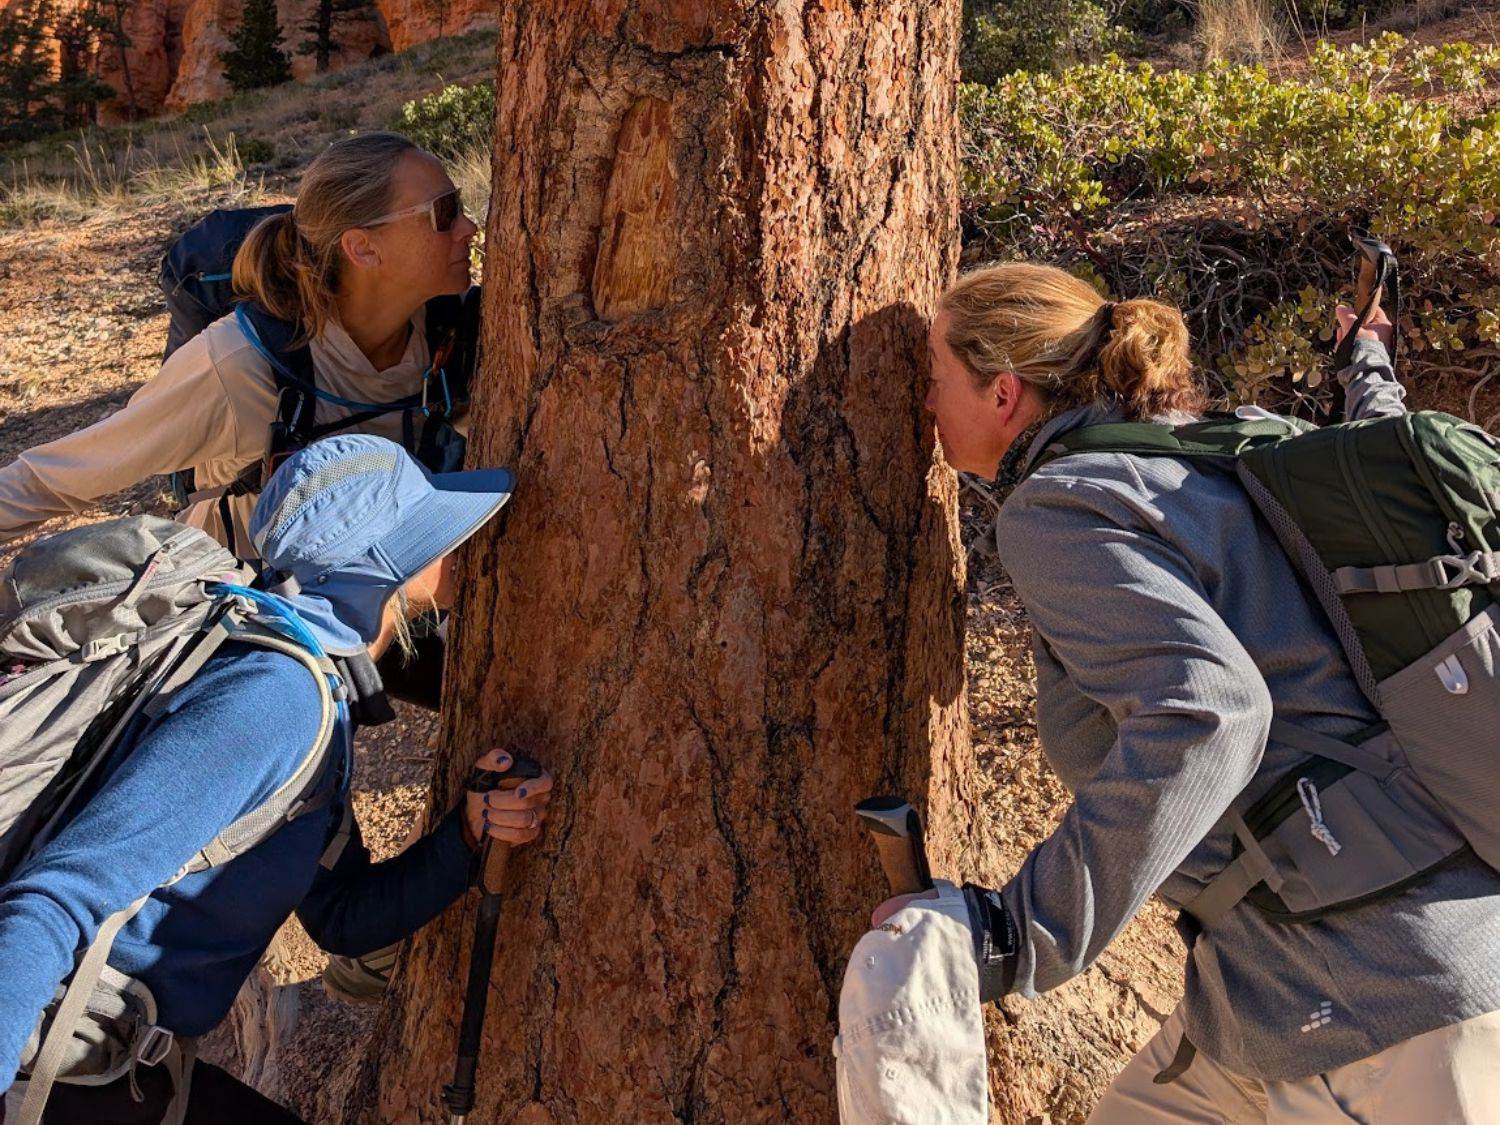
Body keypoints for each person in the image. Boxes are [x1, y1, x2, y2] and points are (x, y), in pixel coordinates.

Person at [852, 263, 1500, 1121]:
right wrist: (1366, 364)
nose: (925, 406)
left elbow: (1211, 714)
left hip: (1376, 1009)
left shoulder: (1057, 510)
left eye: (934, 381)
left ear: (1004, 394)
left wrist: (1018, 932)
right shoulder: (1221, 443)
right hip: (1308, 986)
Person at [0, 434, 553, 1124]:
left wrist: (464, 837)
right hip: (55, 1069)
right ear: (379, 571)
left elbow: (341, 915)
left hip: (123, 1064)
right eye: (425, 530)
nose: (455, 548)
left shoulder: (307, 686)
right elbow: (57, 897)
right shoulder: (280, 698)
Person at [0, 130, 480, 562]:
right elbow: (55, 477)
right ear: (363, 249)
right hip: (257, 612)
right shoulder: (239, 366)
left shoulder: (447, 326)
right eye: (445, 211)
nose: (470, 227)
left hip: (395, 580)